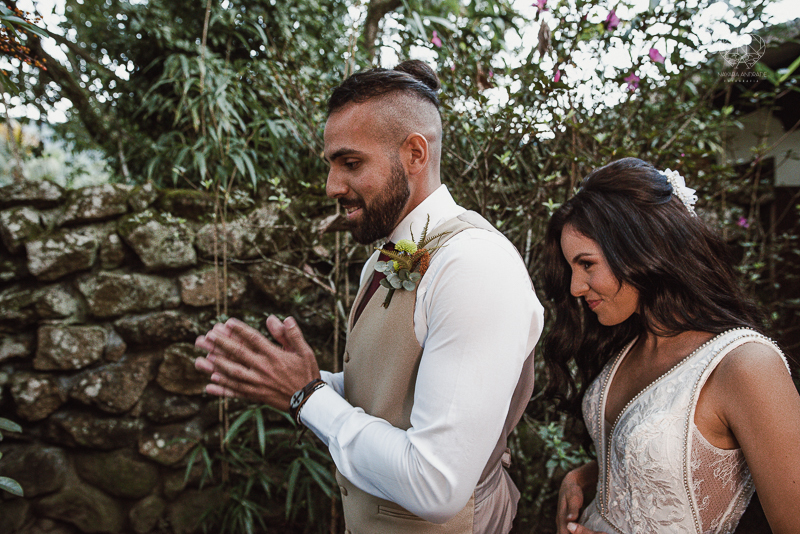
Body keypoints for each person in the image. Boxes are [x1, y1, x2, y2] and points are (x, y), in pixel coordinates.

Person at [194, 60, 544, 533]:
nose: (332, 186)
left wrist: (307, 397)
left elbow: (436, 486)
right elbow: (390, 397)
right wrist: (287, 380)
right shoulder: (389, 256)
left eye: (351, 163)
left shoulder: (475, 267)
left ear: (415, 154)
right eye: (332, 165)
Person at [541, 157, 800, 534]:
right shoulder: (630, 344)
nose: (576, 288)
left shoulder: (744, 365)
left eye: (587, 265)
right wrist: (586, 476)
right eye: (572, 269)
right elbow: (671, 461)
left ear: (641, 249)